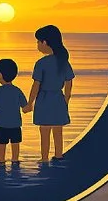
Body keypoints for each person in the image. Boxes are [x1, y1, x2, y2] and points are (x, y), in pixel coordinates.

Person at [29, 26, 74, 162]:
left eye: (38, 42)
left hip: (44, 100)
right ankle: (58, 155)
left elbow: (36, 85)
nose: (37, 45)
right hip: (58, 99)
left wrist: (30, 103)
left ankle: (44, 158)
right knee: (58, 131)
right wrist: (66, 100)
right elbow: (69, 84)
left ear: (45, 42)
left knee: (44, 132)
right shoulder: (63, 62)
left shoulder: (41, 63)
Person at [0, 59, 27, 168]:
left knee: (1, 146)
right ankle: (15, 161)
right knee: (15, 145)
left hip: (1, 125)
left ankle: (1, 161)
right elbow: (25, 107)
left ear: (0, 75)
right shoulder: (17, 91)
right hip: (15, 125)